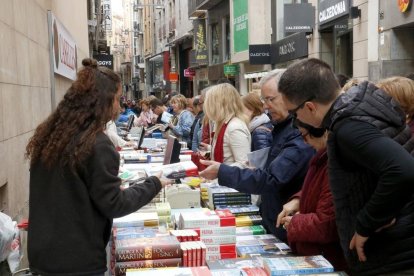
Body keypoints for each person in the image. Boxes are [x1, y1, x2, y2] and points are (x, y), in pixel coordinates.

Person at [25, 58, 169, 275]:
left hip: (44, 255)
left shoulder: (51, 135)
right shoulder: (96, 144)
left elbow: (72, 189)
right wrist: (154, 183)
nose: (120, 107)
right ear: (103, 101)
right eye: (118, 99)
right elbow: (114, 205)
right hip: (77, 261)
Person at [278, 58, 414, 275]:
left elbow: (403, 170)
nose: (295, 121)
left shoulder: (348, 126)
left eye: (294, 114)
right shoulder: (359, 109)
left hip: (392, 255)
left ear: (310, 107)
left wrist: (365, 224)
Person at [199, 70, 314, 239]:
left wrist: (222, 171)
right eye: (264, 100)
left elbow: (270, 178)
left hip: (286, 224)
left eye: (270, 99)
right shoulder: (281, 128)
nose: (266, 106)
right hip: (275, 219)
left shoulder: (297, 132)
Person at [276, 119, 347, 271]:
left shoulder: (333, 163)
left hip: (327, 260)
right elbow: (317, 189)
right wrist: (298, 199)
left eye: (304, 135)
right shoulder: (322, 156)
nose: (305, 142)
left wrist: (294, 223)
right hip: (317, 255)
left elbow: (326, 224)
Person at [201, 83, 251, 166]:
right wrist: (210, 148)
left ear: (218, 104)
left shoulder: (234, 127)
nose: (206, 106)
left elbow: (244, 164)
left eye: (209, 102)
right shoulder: (222, 123)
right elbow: (227, 152)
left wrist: (219, 169)